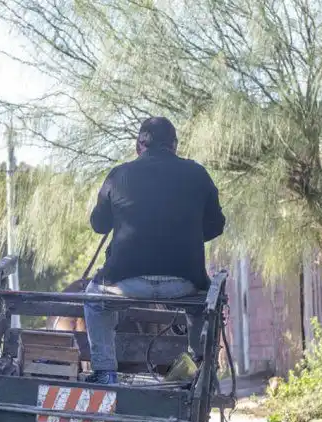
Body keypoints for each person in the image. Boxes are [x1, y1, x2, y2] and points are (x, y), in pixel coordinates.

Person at [83, 116, 226, 385]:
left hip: (125, 283)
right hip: (183, 283)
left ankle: (105, 373)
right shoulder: (198, 174)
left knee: (93, 300)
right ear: (174, 146)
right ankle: (199, 370)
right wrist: (190, 234)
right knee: (201, 308)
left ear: (139, 146)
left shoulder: (118, 174)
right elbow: (217, 225)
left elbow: (99, 225)